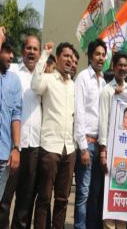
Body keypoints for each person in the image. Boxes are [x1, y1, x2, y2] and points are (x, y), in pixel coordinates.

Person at [31, 41, 76, 229]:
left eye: (72, 58)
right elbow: (34, 85)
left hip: (70, 149)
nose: (69, 60)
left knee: (63, 199)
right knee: (44, 198)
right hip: (50, 147)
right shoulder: (48, 79)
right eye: (65, 56)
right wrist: (44, 55)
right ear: (57, 58)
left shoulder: (74, 85)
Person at [0, 34, 41, 228]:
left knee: (25, 201)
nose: (32, 52)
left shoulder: (44, 77)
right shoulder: (12, 70)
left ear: (40, 54)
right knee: (5, 199)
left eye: (35, 49)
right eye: (29, 48)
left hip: (34, 146)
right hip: (13, 145)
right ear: (22, 51)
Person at [98, 52, 127, 229]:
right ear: (113, 67)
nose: (122, 68)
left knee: (123, 191)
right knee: (110, 193)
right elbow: (103, 121)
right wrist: (103, 151)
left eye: (124, 66)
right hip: (112, 150)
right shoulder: (107, 91)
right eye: (119, 65)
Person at [73, 39, 107, 229]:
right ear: (90, 56)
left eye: (103, 54)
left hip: (99, 145)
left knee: (95, 193)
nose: (101, 57)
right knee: (83, 193)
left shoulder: (103, 82)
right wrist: (84, 148)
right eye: (97, 54)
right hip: (86, 143)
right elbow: (79, 113)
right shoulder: (82, 78)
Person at [0, 29, 22, 202]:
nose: (12, 56)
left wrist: (16, 148)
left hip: (3, 154)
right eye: (7, 51)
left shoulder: (14, 80)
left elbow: (16, 115)